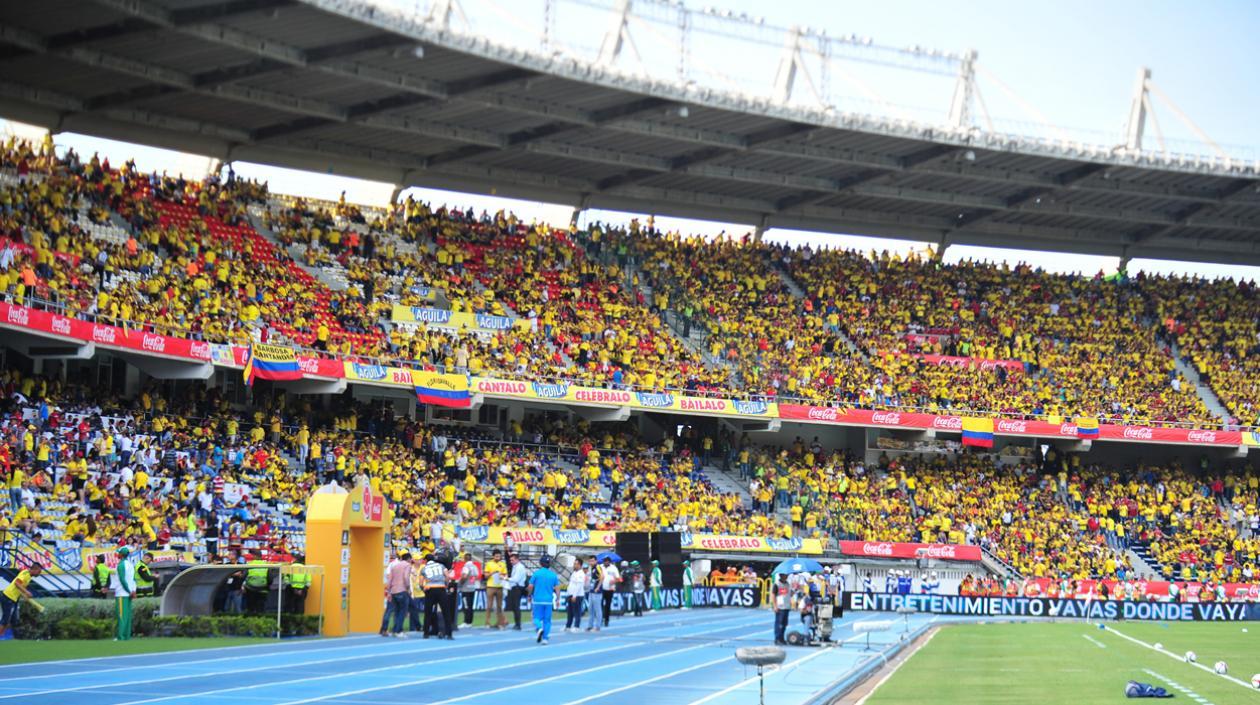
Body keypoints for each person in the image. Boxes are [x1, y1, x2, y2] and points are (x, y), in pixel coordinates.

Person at [0, 563, 42, 639]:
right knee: (5, 620)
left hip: (14, 598)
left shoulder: (27, 574)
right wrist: (26, 592)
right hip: (8, 597)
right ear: (34, 569)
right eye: (39, 572)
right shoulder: (26, 574)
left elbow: (19, 587)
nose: (39, 574)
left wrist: (24, 595)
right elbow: (17, 583)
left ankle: (11, 637)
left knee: (14, 620)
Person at [529, 554, 559, 645]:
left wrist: (529, 595)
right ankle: (545, 638)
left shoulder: (536, 574)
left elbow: (530, 586)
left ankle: (539, 628)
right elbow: (557, 588)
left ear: (540, 563)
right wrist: (557, 599)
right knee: (547, 620)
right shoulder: (553, 575)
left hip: (538, 600)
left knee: (536, 617)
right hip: (549, 601)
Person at [381, 550, 412, 638]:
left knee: (391, 611)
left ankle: (385, 629)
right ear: (409, 559)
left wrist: (389, 591)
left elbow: (389, 579)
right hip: (402, 590)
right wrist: (408, 587)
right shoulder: (407, 565)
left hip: (393, 590)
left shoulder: (394, 566)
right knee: (402, 611)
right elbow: (406, 577)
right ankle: (398, 630)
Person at [421, 553, 450, 639]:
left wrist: (424, 589)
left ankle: (426, 633)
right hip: (441, 588)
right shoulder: (441, 566)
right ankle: (449, 633)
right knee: (446, 612)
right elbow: (447, 576)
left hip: (430, 589)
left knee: (428, 612)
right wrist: (446, 585)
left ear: (426, 560)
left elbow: (420, 582)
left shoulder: (424, 568)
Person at [111, 546, 137, 641]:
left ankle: (120, 636)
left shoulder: (121, 565)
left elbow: (122, 579)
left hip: (122, 593)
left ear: (121, 555)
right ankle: (126, 636)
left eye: (119, 553)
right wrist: (133, 591)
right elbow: (134, 579)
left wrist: (129, 591)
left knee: (121, 615)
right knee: (127, 616)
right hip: (129, 593)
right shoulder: (130, 564)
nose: (117, 554)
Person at [484, 549, 506, 629]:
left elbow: (505, 575)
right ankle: (487, 622)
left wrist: (502, 576)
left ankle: (499, 623)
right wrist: (492, 573)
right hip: (490, 586)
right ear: (493, 556)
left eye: (499, 556)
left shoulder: (502, 564)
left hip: (499, 587)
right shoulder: (489, 564)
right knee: (489, 606)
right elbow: (485, 575)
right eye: (496, 556)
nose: (498, 558)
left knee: (499, 606)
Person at [457, 552, 480, 627]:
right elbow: (476, 576)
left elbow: (464, 576)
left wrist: (460, 583)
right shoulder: (474, 566)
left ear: (464, 559)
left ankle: (466, 622)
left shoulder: (466, 567)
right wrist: (471, 581)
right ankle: (470, 622)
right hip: (472, 588)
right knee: (470, 605)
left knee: (466, 606)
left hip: (466, 589)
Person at [505, 553, 527, 630]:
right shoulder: (515, 567)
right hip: (514, 587)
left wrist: (506, 578)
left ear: (517, 559)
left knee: (516, 606)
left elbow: (516, 579)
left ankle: (518, 624)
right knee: (514, 607)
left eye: (512, 560)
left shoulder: (519, 567)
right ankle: (517, 623)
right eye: (510, 560)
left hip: (518, 588)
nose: (511, 561)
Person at [564, 558, 586, 632]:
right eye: (574, 563)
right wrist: (569, 594)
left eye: (576, 564)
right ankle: (568, 626)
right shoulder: (574, 573)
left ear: (580, 565)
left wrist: (574, 595)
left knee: (577, 611)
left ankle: (577, 626)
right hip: (571, 594)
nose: (574, 565)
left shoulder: (581, 574)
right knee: (570, 611)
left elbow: (579, 585)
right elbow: (571, 584)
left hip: (577, 595)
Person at [599, 556, 620, 628]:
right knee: (600, 604)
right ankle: (601, 618)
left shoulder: (614, 568)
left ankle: (606, 620)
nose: (605, 562)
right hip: (601, 588)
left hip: (610, 589)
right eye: (604, 561)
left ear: (609, 562)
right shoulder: (600, 567)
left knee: (608, 605)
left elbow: (618, 578)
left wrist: (614, 581)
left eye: (607, 561)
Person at [585, 557, 604, 631]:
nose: (591, 562)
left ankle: (598, 626)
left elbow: (602, 576)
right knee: (591, 609)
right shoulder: (591, 568)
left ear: (596, 561)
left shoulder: (598, 567)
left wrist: (598, 587)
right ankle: (590, 625)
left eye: (592, 561)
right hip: (591, 590)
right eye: (590, 561)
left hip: (597, 592)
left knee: (597, 609)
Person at [772, 572, 791, 646]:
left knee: (784, 624)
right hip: (780, 606)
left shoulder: (787, 584)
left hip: (786, 606)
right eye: (785, 575)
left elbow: (789, 593)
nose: (786, 576)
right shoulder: (777, 584)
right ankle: (777, 638)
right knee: (779, 624)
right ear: (781, 575)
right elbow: (773, 594)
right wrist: (775, 606)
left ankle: (782, 638)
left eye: (787, 575)